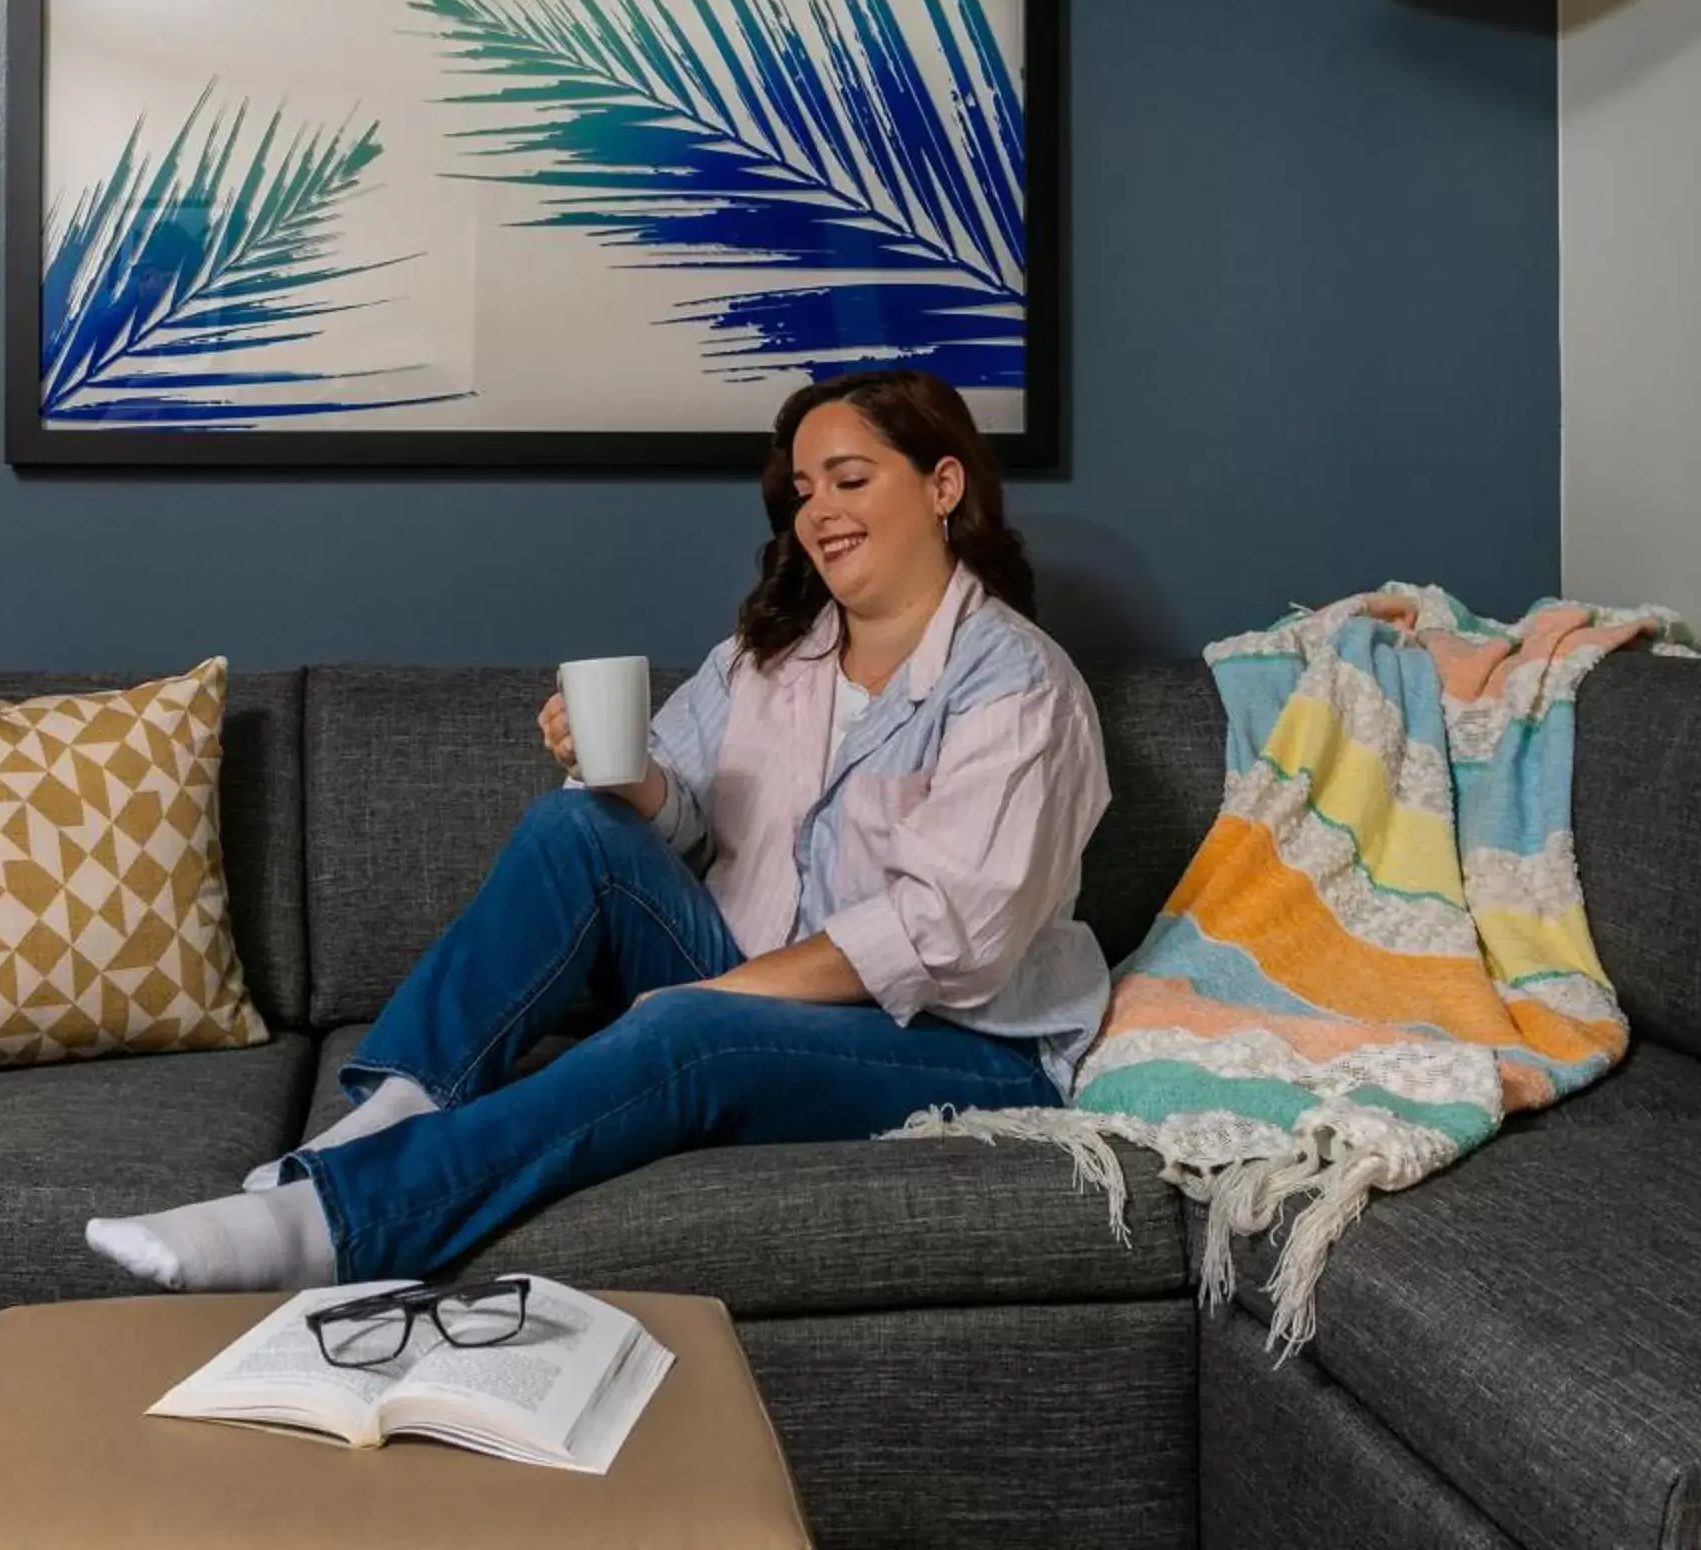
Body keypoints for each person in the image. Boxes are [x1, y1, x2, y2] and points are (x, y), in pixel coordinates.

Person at [86, 368, 1113, 1293]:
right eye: (804, 490)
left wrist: (709, 997)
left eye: (849, 478)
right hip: (753, 979)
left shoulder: (1017, 684)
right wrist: (623, 772)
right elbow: (688, 809)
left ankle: (345, 1219)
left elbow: (946, 934)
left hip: (955, 1041)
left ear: (942, 485)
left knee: (683, 1032)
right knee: (573, 822)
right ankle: (401, 1102)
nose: (820, 512)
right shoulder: (772, 655)